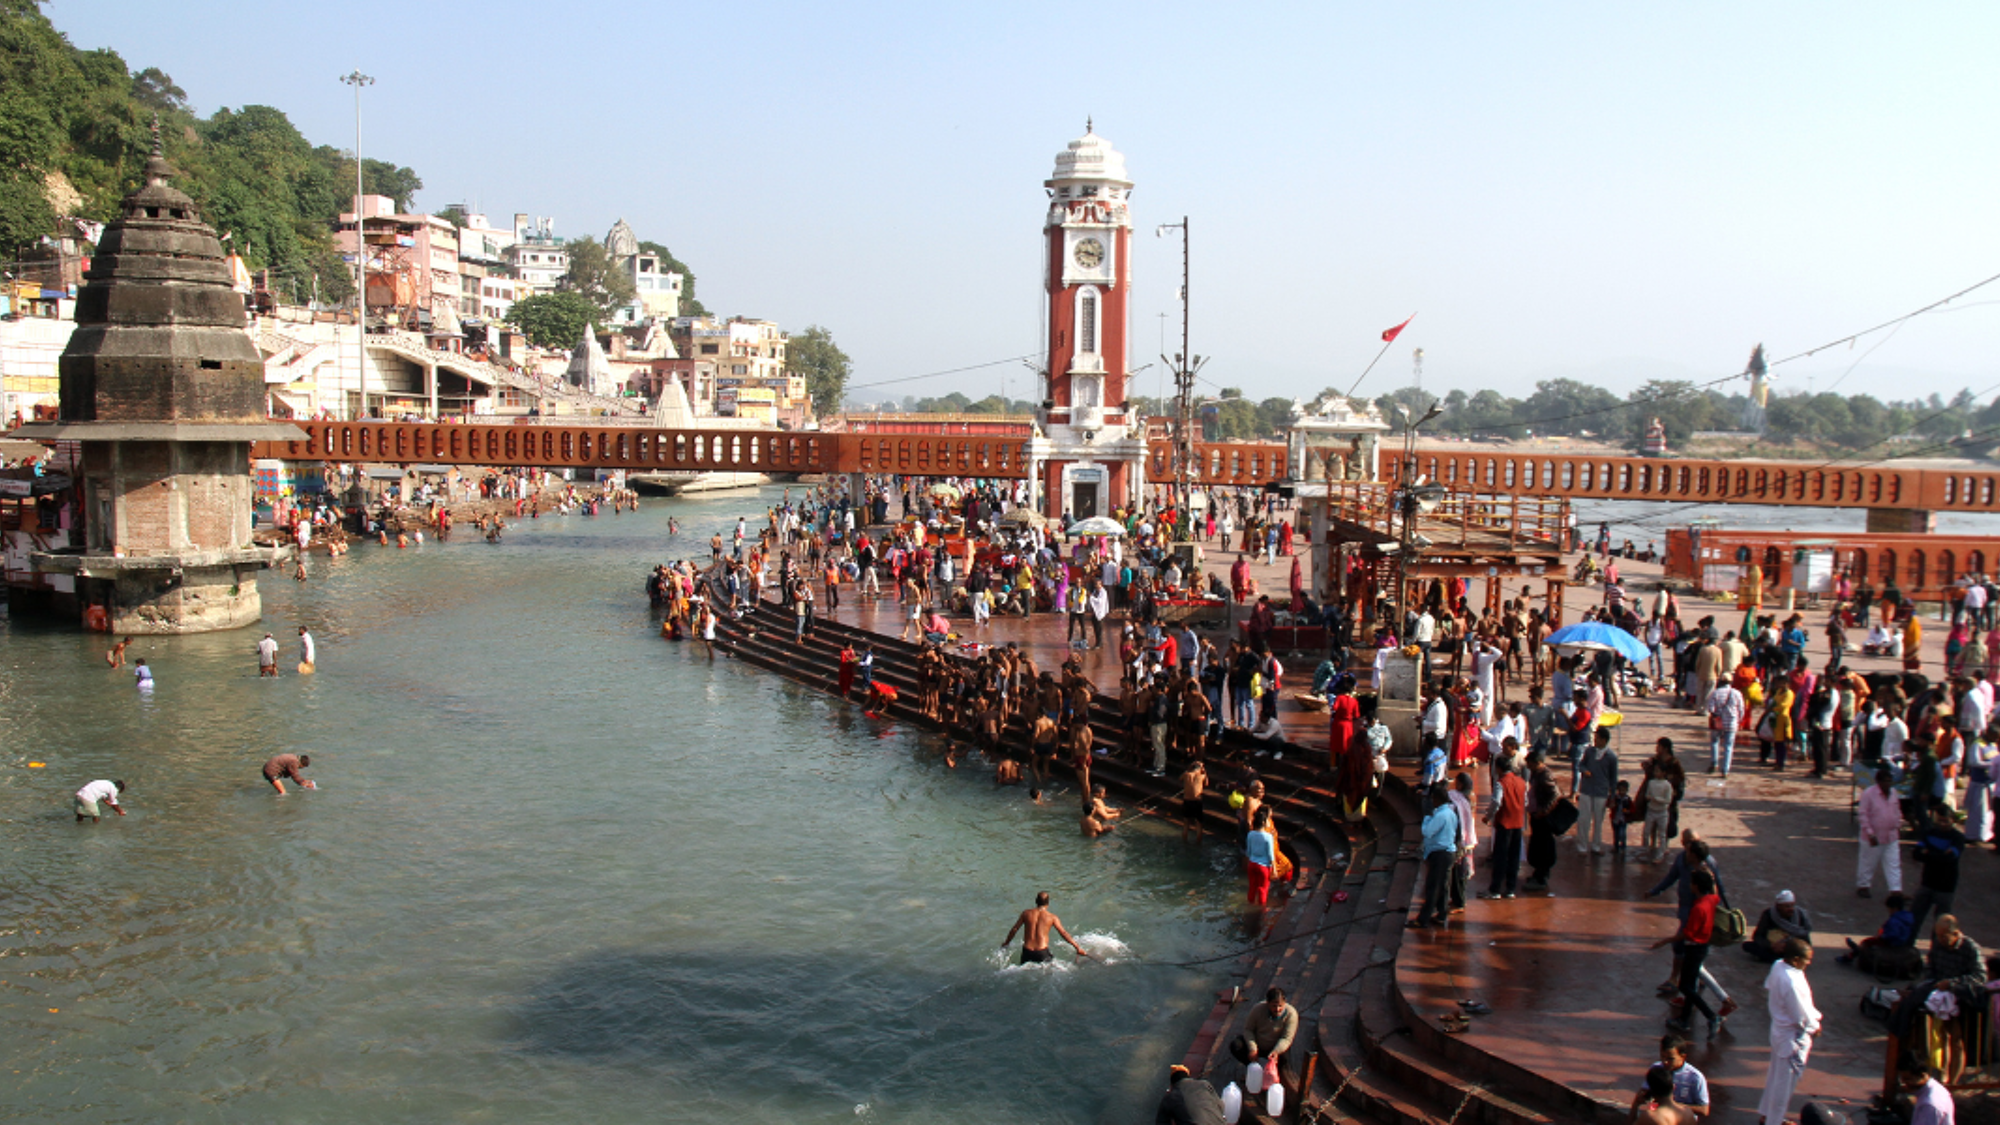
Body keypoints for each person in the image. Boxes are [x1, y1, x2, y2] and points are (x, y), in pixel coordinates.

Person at [1652, 866, 1722, 1038]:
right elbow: (1715, 893)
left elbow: (1687, 933)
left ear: (1696, 886)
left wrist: (1664, 941)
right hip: (1702, 948)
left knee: (1685, 986)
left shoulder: (1698, 908)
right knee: (1689, 985)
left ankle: (1711, 1016)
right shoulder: (1711, 900)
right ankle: (1684, 1020)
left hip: (1693, 948)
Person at [1757, 939, 1822, 1125]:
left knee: (1775, 1076)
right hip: (1792, 1038)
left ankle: (1766, 1114)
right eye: (1806, 959)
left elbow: (1769, 986)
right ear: (1795, 959)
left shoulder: (1779, 966)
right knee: (1783, 1086)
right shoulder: (1792, 981)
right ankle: (1774, 1121)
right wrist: (1814, 1027)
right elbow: (1800, 1016)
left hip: (1779, 1031)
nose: (1808, 963)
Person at [1910, 803, 1967, 934]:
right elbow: (1916, 854)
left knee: (1942, 925)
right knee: (1914, 919)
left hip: (1946, 887)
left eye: (1945, 821)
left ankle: (1937, 951)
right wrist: (1939, 854)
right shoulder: (1929, 833)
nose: (1942, 824)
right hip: (1927, 883)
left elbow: (1950, 858)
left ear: (1952, 820)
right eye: (1939, 820)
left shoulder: (1957, 838)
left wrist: (1929, 853)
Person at [1628, 1034, 1710, 1122]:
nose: (1665, 1062)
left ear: (1683, 1057)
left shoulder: (1696, 1077)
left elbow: (1704, 1110)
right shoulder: (1656, 1069)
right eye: (1662, 1056)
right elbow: (1645, 1092)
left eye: (1670, 1059)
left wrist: (1674, 1106)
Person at [1229, 988, 1298, 1088]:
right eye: (1274, 1006)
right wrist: (1253, 1048)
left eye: (1280, 1006)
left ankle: (1272, 1078)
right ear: (1267, 1003)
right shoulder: (1258, 1009)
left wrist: (1276, 1051)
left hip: (1274, 1047)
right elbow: (1248, 1030)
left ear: (1285, 1003)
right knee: (1236, 1045)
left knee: (1284, 1060)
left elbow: (1286, 1038)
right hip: (1258, 1043)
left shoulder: (1291, 1014)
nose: (1277, 1009)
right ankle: (1253, 1070)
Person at [1001, 891, 1091, 964]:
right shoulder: (1052, 917)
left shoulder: (1026, 913)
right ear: (1048, 903)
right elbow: (1063, 933)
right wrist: (1077, 948)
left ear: (1036, 901)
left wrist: (1006, 943)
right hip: (1042, 952)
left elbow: (1014, 929)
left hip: (1027, 952)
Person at [1413, 788, 1457, 928]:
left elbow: (1427, 832)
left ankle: (1423, 919)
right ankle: (1441, 914)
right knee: (1443, 885)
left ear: (1437, 799)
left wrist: (1426, 818)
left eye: (1433, 799)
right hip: (1447, 852)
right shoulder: (1450, 813)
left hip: (1440, 853)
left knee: (1433, 886)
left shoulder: (1441, 815)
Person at [1857, 767, 1904, 898]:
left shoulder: (1893, 793)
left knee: (1893, 863)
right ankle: (1863, 885)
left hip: (1891, 836)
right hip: (1873, 837)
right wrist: (1870, 833)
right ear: (1878, 781)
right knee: (1868, 863)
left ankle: (1896, 889)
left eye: (1890, 781)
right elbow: (1863, 815)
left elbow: (1897, 810)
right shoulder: (1869, 794)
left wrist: (1898, 823)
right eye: (1885, 781)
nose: (1888, 784)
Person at [1574, 727, 1619, 857]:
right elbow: (1581, 765)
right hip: (1587, 790)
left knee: (1598, 821)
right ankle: (1582, 845)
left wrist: (1612, 796)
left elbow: (1613, 778)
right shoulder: (1589, 752)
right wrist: (1584, 771)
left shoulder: (1611, 757)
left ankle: (1596, 845)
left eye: (1597, 738)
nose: (1595, 740)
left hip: (1601, 792)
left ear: (1604, 740)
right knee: (1584, 819)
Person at [1744, 890, 1813, 962]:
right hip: (1774, 946)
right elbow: (1758, 936)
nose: (1791, 909)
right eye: (1787, 906)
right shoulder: (1769, 914)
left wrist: (1786, 945)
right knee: (1748, 946)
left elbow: (1805, 937)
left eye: (1792, 905)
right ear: (1779, 906)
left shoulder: (1800, 915)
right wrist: (1772, 945)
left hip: (1791, 947)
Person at [1155, 1064, 1226, 1125]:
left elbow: (1161, 1122)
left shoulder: (1169, 1097)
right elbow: (1221, 1106)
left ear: (1172, 1084)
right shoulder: (1204, 1084)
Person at [1899, 1054, 1956, 1125]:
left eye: (1907, 1079)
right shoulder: (1937, 1088)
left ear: (1922, 1075)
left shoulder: (1928, 1105)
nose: (1903, 1083)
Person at [1631, 1065, 1698, 1125]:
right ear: (1674, 1087)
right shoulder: (1688, 1112)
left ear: (1651, 1091)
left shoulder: (1650, 1116)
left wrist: (1635, 1105)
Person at [1245, 806, 1277, 909]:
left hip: (1252, 864)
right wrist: (1274, 869)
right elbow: (1270, 854)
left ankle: (1250, 906)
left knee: (1252, 887)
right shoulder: (1268, 837)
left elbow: (1248, 851)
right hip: (1264, 866)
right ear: (1263, 823)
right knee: (1263, 889)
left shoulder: (1250, 834)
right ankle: (1261, 910)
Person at [1181, 759, 1207, 845]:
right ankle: (1198, 843)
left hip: (1187, 800)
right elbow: (1206, 783)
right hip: (1197, 801)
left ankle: (1184, 842)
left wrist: (1190, 767)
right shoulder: (1201, 776)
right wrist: (1204, 770)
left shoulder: (1186, 774)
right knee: (1199, 824)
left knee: (1186, 823)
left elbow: (1180, 778)